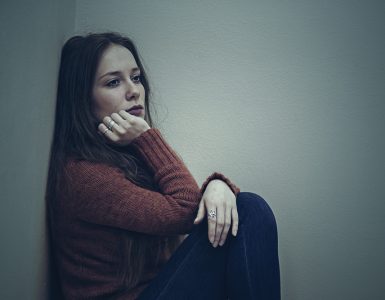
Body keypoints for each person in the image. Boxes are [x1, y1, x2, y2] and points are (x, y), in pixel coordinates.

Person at [46, 32, 280, 300]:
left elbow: (192, 214)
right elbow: (185, 212)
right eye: (113, 82)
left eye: (136, 77)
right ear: (81, 99)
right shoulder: (83, 175)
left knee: (247, 208)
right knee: (251, 209)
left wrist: (218, 186)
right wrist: (147, 138)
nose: (134, 90)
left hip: (156, 290)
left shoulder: (125, 158)